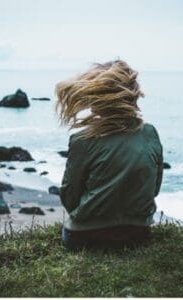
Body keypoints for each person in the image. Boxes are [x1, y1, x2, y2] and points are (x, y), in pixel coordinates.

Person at [55, 60, 163, 250]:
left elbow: (70, 196)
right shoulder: (149, 133)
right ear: (133, 96)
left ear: (97, 100)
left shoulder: (83, 140)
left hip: (85, 238)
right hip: (137, 235)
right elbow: (154, 188)